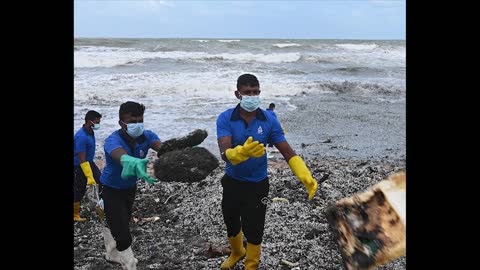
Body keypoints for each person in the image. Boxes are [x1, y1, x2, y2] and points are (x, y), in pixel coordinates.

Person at [216, 74, 318, 270]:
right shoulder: (225, 118)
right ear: (238, 94)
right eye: (247, 92)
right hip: (232, 180)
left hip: (257, 184)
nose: (252, 96)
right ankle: (237, 252)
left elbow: (287, 151)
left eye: (255, 92)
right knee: (230, 220)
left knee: (254, 227)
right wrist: (241, 152)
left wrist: (304, 175)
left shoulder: (269, 119)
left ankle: (251, 265)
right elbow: (224, 153)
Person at [99, 101, 161, 270]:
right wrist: (131, 161)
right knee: (123, 234)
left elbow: (162, 148)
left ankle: (111, 253)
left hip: (129, 188)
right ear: (122, 123)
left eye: (140, 121)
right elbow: (120, 155)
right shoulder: (113, 140)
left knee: (121, 220)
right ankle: (129, 264)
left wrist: (179, 152)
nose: (137, 125)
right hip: (110, 188)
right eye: (132, 122)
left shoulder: (147, 136)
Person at [74, 110, 102, 222]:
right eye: (97, 122)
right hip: (79, 165)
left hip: (89, 162)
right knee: (79, 189)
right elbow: (81, 159)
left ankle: (101, 206)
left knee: (102, 181)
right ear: (90, 122)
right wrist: (89, 176)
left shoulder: (90, 131)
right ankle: (75, 214)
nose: (99, 124)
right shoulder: (81, 136)